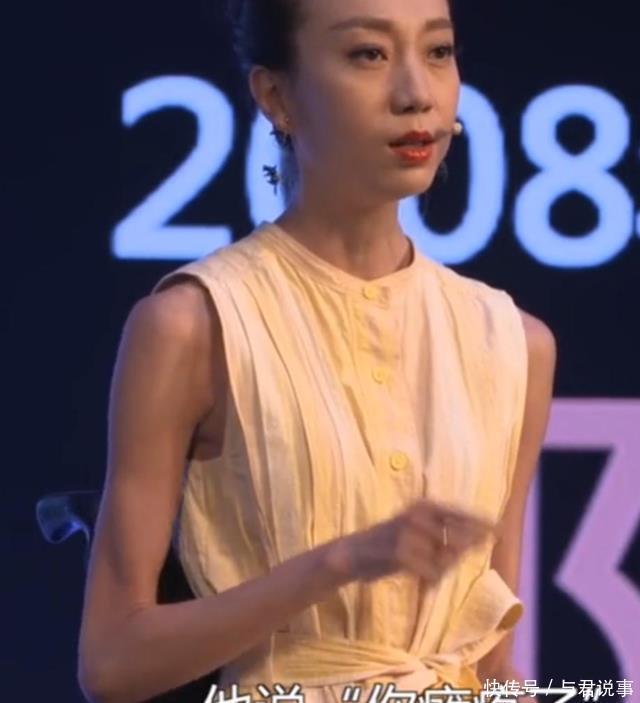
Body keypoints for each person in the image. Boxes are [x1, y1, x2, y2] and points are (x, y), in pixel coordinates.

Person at [77, 1, 556, 702]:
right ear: (277, 96)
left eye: (438, 52)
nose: (416, 93)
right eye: (368, 54)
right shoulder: (193, 325)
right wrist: (338, 562)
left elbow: (488, 663)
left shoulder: (513, 342)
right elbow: (112, 662)